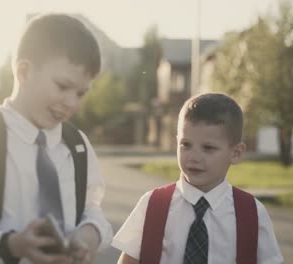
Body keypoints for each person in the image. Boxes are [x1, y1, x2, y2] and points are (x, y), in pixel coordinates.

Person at [0, 14, 112, 264]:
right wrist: (11, 245)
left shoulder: (77, 145)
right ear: (23, 72)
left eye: (81, 93)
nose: (72, 103)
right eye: (62, 86)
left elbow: (93, 210)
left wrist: (90, 234)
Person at [112, 93, 283, 264]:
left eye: (208, 148)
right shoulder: (152, 204)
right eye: (186, 145)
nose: (194, 157)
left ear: (236, 153)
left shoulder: (252, 213)